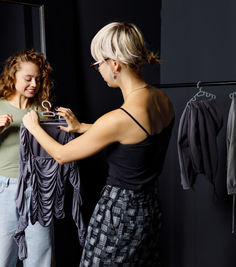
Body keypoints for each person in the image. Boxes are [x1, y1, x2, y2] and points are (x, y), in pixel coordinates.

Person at [22, 22, 174, 266]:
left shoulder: (119, 118)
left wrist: (33, 127)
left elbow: (61, 155)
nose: (99, 70)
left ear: (114, 64)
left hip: (120, 213)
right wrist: (82, 127)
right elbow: (136, 140)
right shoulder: (161, 100)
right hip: (149, 209)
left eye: (97, 64)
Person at [0, 49, 54, 267]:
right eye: (28, 78)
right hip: (2, 191)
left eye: (38, 79)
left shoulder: (43, 111)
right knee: (2, 262)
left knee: (40, 261)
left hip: (37, 191)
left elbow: (53, 153)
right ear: (13, 76)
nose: (34, 83)